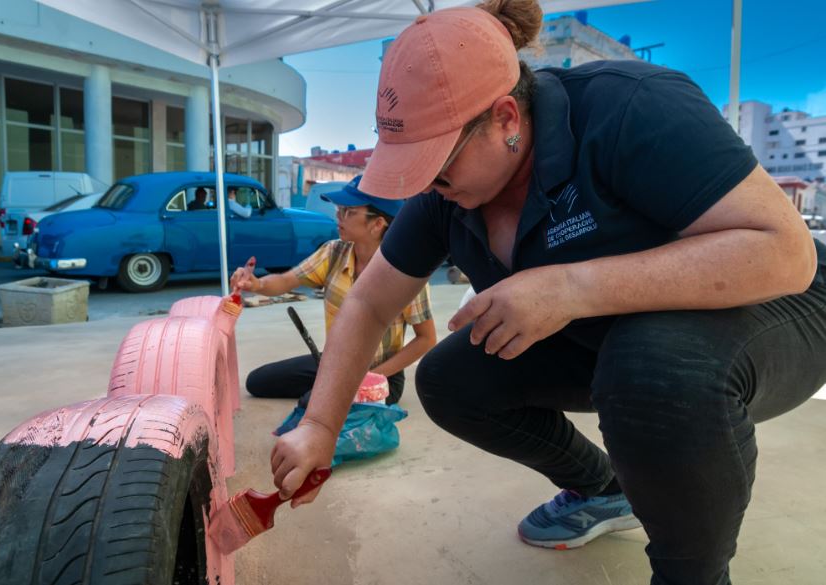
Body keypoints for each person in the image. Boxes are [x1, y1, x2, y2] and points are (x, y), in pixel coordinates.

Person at [266, 2, 826, 584]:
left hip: (775, 311)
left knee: (654, 366)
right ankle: (604, 489)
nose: (426, 188)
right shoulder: (446, 196)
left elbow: (785, 252)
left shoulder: (631, 106)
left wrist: (572, 286)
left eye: (436, 167)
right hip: (618, 337)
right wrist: (321, 426)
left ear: (506, 117)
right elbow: (369, 301)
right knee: (451, 378)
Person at [231, 175, 436, 406]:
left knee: (311, 405)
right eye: (339, 210)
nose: (338, 217)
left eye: (348, 212)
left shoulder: (405, 270)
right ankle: (327, 387)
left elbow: (426, 339)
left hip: (381, 374)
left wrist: (373, 377)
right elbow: (287, 280)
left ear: (378, 224)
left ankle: (329, 392)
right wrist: (256, 284)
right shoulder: (334, 252)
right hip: (334, 364)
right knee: (258, 382)